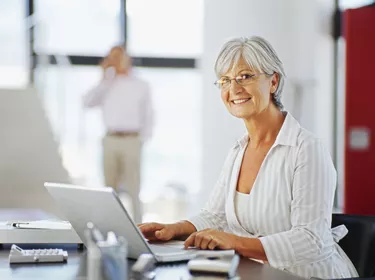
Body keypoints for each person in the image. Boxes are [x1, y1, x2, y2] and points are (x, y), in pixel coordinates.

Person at [138, 36, 358, 279]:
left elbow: (311, 239)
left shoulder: (306, 148)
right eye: (225, 80)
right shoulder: (239, 149)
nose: (234, 89)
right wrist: (172, 229)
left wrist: (234, 242)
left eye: (245, 76)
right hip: (258, 272)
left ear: (273, 81)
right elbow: (215, 216)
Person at [83, 46, 153, 224]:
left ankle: (140, 228)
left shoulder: (141, 85)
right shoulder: (107, 84)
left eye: (118, 56)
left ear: (127, 59)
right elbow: (87, 102)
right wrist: (105, 77)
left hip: (132, 140)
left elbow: (149, 115)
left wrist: (141, 140)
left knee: (133, 188)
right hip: (110, 139)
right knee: (109, 189)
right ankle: (110, 227)